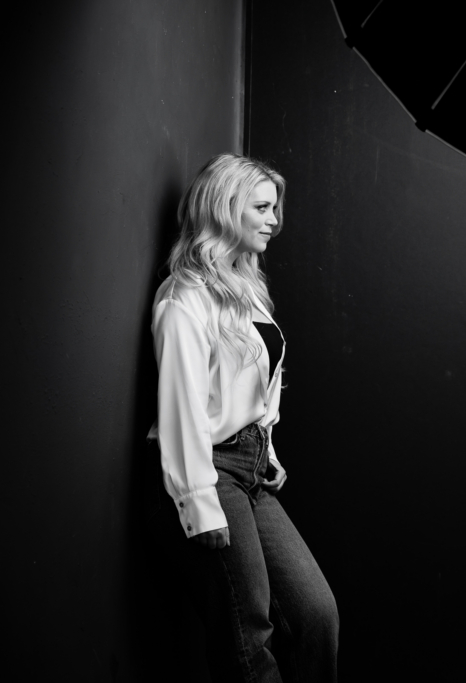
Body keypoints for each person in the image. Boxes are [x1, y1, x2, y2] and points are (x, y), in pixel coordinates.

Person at [148, 153, 339, 681]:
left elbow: (259, 384)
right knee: (248, 634)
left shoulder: (247, 290)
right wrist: (198, 504)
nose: (275, 219)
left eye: (275, 207)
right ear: (226, 208)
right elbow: (181, 406)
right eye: (262, 207)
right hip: (210, 470)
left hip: (251, 469)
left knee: (317, 615)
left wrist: (268, 451)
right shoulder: (185, 297)